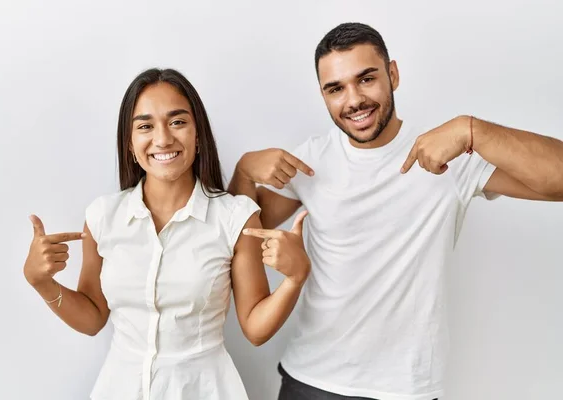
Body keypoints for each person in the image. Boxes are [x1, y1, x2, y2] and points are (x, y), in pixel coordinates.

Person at [229, 23, 563, 400]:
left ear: (393, 74)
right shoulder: (312, 160)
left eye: (366, 79)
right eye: (335, 88)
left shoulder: (448, 154)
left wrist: (474, 131)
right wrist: (243, 171)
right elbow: (242, 235)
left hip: (407, 390)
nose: (353, 100)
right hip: (311, 382)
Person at [22, 68, 312, 400]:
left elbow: (255, 329)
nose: (162, 139)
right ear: (130, 144)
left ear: (198, 135)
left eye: (177, 122)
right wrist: (41, 281)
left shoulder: (236, 216)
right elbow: (92, 318)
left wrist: (295, 278)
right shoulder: (103, 216)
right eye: (145, 126)